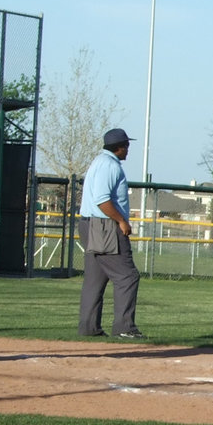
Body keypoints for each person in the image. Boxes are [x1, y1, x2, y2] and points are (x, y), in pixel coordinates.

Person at [77, 128, 145, 339]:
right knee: (127, 276)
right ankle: (125, 328)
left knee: (95, 279)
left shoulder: (98, 161)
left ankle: (89, 328)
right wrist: (121, 221)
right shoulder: (110, 166)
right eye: (126, 146)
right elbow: (102, 200)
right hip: (104, 225)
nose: (128, 150)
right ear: (119, 147)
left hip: (89, 224)